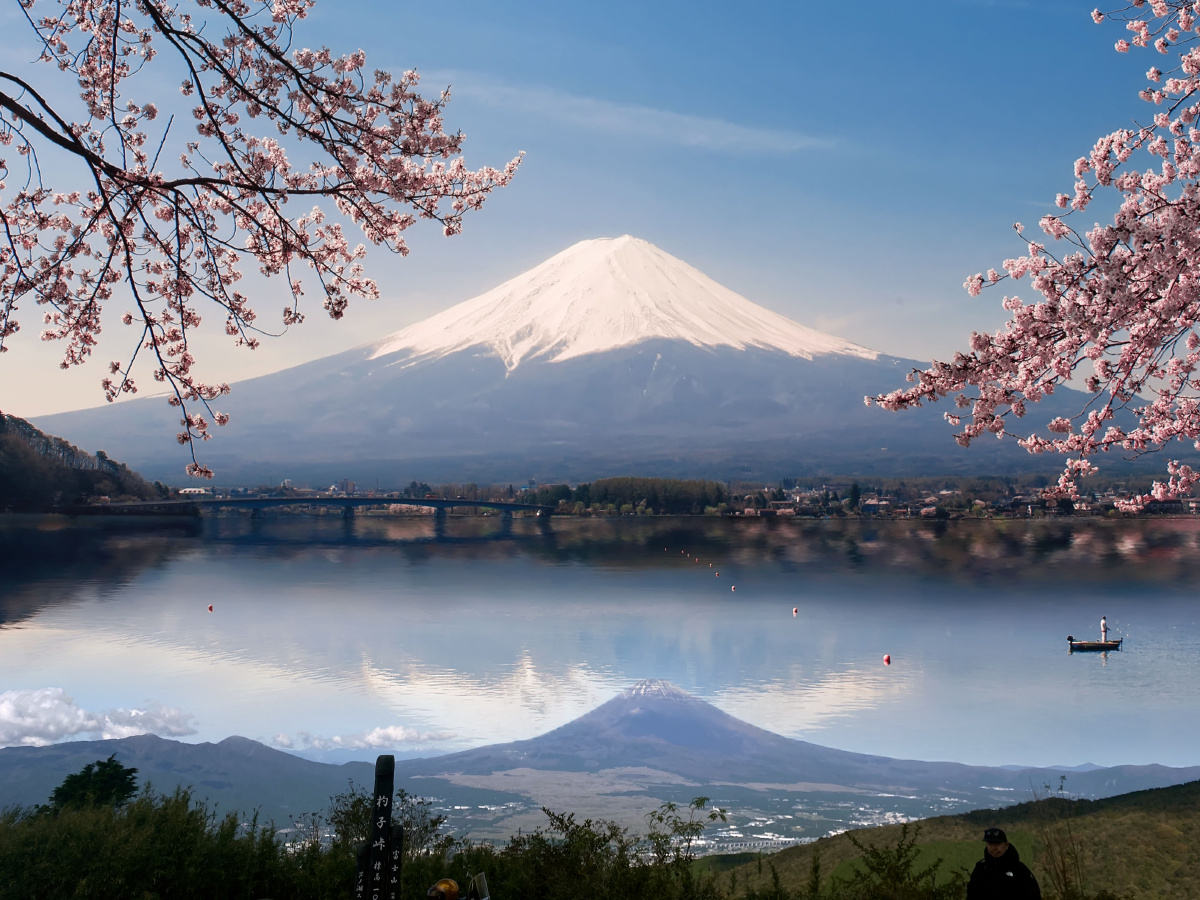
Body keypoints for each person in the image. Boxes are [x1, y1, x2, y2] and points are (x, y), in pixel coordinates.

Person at [967, 827, 1040, 900]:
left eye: (997, 843)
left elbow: (1033, 895)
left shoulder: (1019, 869)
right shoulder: (981, 868)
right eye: (990, 843)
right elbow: (972, 894)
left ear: (1006, 845)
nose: (993, 847)